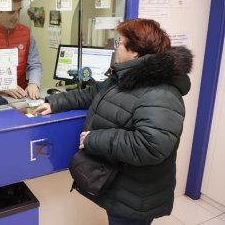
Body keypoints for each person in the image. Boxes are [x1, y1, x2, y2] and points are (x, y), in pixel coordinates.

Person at [34, 19, 193, 225]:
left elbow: (150, 145)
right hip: (122, 186)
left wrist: (94, 139)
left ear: (135, 51)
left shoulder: (162, 93)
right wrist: (55, 103)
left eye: (119, 42)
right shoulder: (127, 75)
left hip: (136, 196)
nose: (116, 47)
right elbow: (93, 93)